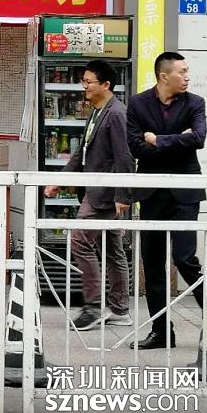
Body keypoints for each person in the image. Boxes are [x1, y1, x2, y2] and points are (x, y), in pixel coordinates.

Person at [45, 59, 133, 331]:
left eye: (88, 82)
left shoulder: (116, 114)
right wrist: (61, 181)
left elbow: (125, 157)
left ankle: (93, 307)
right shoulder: (97, 111)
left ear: (106, 84)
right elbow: (81, 153)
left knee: (80, 241)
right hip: (98, 191)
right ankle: (119, 309)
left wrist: (123, 196)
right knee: (113, 250)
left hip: (104, 194)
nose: (84, 86)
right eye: (83, 81)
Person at [127, 51, 206, 350]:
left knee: (185, 259)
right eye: (181, 72)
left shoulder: (195, 102)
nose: (187, 77)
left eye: (187, 72)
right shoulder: (137, 103)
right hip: (151, 192)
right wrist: (177, 140)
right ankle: (161, 332)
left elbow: (198, 138)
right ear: (164, 76)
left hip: (185, 191)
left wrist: (158, 140)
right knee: (153, 263)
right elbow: (136, 147)